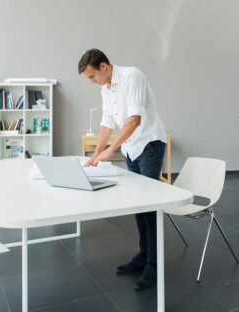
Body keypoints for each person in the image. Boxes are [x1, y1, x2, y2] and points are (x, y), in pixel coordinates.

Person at [78, 49, 167, 290]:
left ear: (104, 67)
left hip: (149, 144)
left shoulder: (132, 77)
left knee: (150, 204)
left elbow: (134, 119)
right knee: (139, 203)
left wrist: (111, 150)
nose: (92, 81)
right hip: (131, 149)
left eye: (92, 76)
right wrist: (96, 153)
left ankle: (155, 265)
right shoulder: (104, 88)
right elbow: (107, 123)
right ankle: (143, 255)